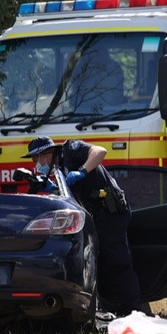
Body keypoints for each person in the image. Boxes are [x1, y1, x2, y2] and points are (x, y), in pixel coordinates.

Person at [22, 136, 142, 317]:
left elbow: (100, 151)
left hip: (111, 212)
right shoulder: (59, 169)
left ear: (46, 153)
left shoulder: (70, 149)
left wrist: (83, 171)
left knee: (117, 261)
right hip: (95, 216)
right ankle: (112, 306)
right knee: (98, 262)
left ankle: (134, 309)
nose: (36, 163)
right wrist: (53, 188)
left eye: (36, 158)